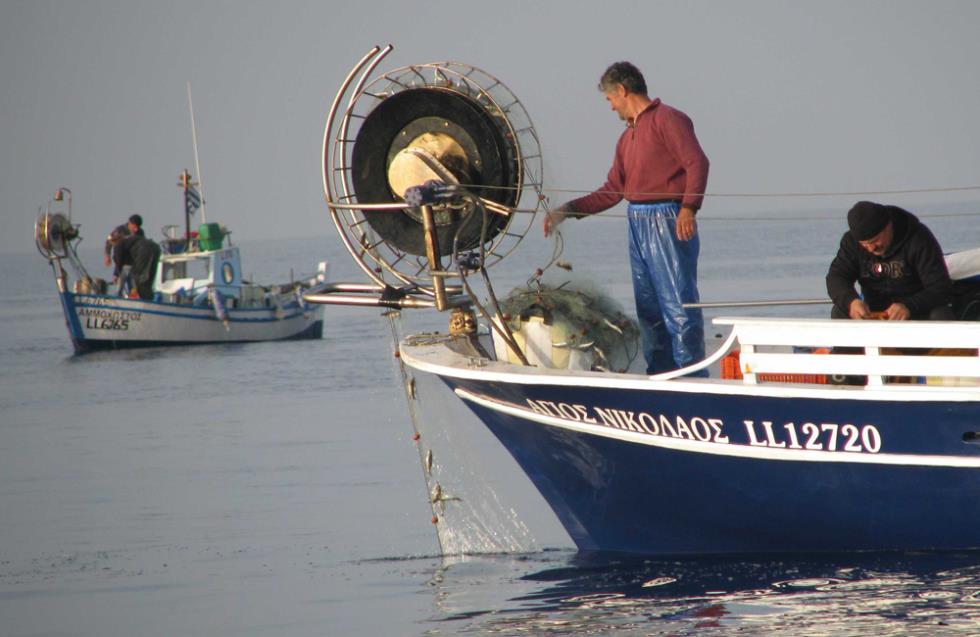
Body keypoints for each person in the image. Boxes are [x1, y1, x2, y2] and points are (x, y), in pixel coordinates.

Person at [544, 61, 710, 375]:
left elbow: (697, 163)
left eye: (610, 100)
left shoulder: (668, 119)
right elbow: (613, 191)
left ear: (622, 90)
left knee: (678, 304)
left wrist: (689, 208)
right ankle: (661, 374)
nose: (611, 107)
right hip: (637, 221)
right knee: (649, 309)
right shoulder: (626, 139)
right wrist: (568, 210)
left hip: (667, 218)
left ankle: (691, 376)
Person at [826, 201, 955, 321]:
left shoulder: (918, 238)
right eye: (864, 245)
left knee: (941, 314)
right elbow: (836, 277)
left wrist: (909, 306)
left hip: (916, 313)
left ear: (888, 226)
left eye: (875, 241)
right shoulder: (851, 243)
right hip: (872, 314)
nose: (871, 248)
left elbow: (940, 287)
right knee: (839, 311)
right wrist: (851, 302)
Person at [112, 214, 161, 300]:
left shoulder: (119, 245)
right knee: (147, 280)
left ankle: (141, 300)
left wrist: (117, 273)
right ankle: (147, 299)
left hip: (143, 251)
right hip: (155, 248)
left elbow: (118, 259)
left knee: (138, 277)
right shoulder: (134, 237)